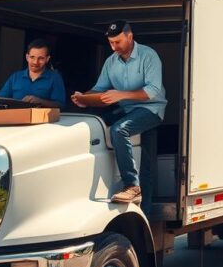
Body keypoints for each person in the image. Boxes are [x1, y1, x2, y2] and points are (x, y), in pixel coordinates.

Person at [71, 21, 167, 205]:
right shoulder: (111, 61)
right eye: (111, 43)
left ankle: (132, 186)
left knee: (118, 129)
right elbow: (99, 89)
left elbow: (153, 90)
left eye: (118, 42)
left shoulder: (148, 55)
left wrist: (121, 95)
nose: (114, 47)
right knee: (92, 123)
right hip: (126, 109)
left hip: (151, 109)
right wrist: (84, 98)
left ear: (130, 36)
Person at [0, 39, 65, 108]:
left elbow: (60, 105)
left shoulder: (55, 78)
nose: (36, 62)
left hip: (43, 121)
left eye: (41, 58)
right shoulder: (15, 77)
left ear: (47, 59)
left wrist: (40, 101)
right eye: (32, 57)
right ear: (27, 57)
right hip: (15, 118)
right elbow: (1, 99)